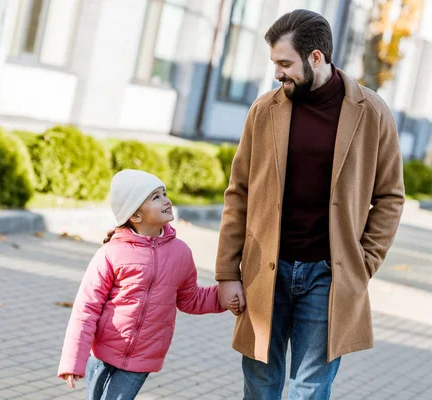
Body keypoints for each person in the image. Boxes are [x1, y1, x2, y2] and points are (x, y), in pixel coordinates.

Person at [215, 9, 405, 399]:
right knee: (260, 382)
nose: (277, 74)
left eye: (285, 63)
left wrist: (362, 262)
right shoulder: (264, 111)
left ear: (315, 57)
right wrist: (226, 272)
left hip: (328, 277)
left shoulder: (371, 113)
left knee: (310, 388)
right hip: (265, 270)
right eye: (274, 63)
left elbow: (389, 196)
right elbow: (239, 192)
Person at [58, 169, 240, 399]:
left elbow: (190, 298)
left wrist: (224, 296)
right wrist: (73, 361)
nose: (167, 200)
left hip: (143, 357)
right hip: (103, 352)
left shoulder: (180, 253)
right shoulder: (111, 253)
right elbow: (86, 308)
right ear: (135, 216)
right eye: (156, 197)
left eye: (164, 193)